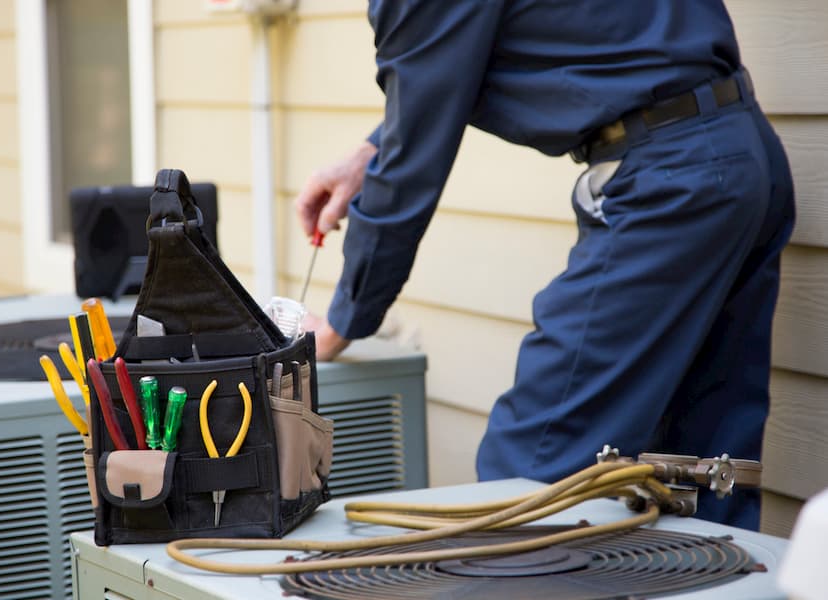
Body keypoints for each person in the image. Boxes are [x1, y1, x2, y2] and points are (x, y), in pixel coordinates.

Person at [294, 1, 795, 531]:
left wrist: (339, 325)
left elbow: (412, 159)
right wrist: (371, 151)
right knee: (703, 473)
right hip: (741, 153)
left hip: (675, 183)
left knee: (530, 477)